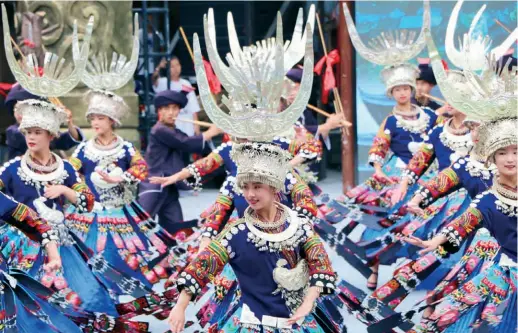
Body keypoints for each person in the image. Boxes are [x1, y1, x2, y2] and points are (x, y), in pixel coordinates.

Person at [168, 141, 337, 332]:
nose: (250, 194)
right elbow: (202, 267)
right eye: (245, 187)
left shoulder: (299, 225)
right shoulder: (236, 233)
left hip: (299, 323)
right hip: (253, 324)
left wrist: (308, 302)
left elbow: (321, 265)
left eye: (257, 187)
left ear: (274, 188)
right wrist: (180, 306)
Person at [0, 99, 146, 316]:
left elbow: (87, 202)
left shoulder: (65, 168)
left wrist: (65, 190)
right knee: (29, 302)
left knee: (89, 296)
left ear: (50, 135)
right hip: (23, 242)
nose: (30, 137)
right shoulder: (12, 169)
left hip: (62, 242)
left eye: (37, 132)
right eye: (28, 132)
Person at [66, 90, 174, 285]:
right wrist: (78, 186)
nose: (95, 123)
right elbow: (69, 171)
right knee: (90, 256)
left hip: (121, 212)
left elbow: (142, 168)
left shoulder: (125, 148)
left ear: (112, 121)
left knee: (124, 258)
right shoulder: (84, 149)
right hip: (91, 213)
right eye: (92, 119)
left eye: (100, 118)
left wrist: (121, 178)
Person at [138, 90, 222, 233]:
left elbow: (192, 144)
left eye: (175, 108)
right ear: (160, 111)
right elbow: (185, 143)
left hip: (169, 186)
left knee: (176, 229)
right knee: (140, 225)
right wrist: (211, 132)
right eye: (166, 109)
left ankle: (171, 255)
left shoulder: (174, 130)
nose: (171, 112)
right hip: (154, 185)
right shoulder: (159, 130)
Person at [4, 84, 84, 159]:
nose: (19, 114)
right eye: (15, 109)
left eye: (24, 110)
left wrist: (69, 123)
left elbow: (67, 139)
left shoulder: (46, 130)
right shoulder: (12, 131)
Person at [152, 56, 201, 137]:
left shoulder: (186, 83)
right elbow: (153, 80)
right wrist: (159, 67)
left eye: (177, 65)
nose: (176, 69)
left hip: (187, 123)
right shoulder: (163, 82)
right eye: (172, 66)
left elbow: (193, 107)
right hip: (171, 123)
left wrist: (196, 125)